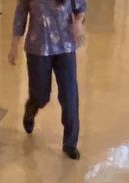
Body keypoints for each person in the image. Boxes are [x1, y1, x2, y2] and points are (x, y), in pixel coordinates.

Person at [9, 0, 88, 160]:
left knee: (69, 96)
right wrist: (13, 46)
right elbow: (20, 14)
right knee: (41, 96)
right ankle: (31, 108)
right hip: (37, 48)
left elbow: (80, 7)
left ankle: (70, 143)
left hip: (66, 47)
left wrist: (78, 22)